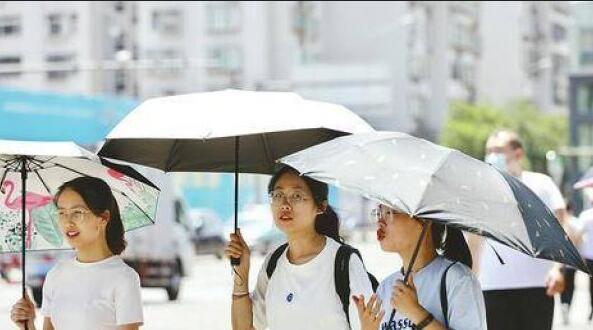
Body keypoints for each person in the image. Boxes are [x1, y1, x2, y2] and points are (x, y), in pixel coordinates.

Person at [225, 166, 374, 330]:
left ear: (321, 207)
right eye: (278, 195)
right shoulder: (273, 262)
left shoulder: (343, 262)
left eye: (297, 196)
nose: (285, 204)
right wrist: (242, 275)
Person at [10, 176, 143, 330]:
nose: (68, 222)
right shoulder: (56, 274)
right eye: (61, 213)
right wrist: (28, 325)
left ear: (103, 217)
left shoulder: (123, 278)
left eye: (77, 212)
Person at [468, 129, 567, 330]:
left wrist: (558, 269)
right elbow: (474, 240)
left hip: (537, 285)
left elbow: (561, 229)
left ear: (518, 153)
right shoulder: (481, 188)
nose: (491, 155)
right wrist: (468, 280)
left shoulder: (541, 183)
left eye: (498, 150)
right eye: (489, 150)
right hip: (492, 286)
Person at [355, 205, 486, 330]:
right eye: (378, 212)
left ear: (424, 221)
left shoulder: (459, 279)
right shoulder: (385, 287)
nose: (380, 221)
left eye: (389, 212)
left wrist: (416, 313)